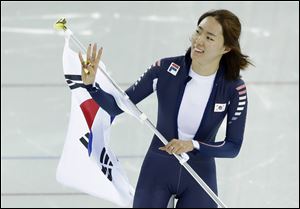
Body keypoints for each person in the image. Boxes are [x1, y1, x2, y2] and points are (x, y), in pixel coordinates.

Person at [79, 9, 252, 208]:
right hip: (158, 168)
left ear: (226, 48)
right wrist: (91, 86)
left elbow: (232, 147)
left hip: (199, 174)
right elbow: (117, 107)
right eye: (198, 31)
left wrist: (193, 145)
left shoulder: (234, 88)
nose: (198, 41)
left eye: (209, 37)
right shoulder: (165, 69)